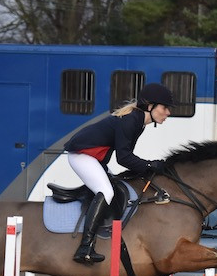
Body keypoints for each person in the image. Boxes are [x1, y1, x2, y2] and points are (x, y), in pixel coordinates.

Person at [63, 82, 173, 264]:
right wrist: (149, 165)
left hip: (93, 157)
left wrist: (147, 166)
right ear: (150, 106)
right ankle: (85, 248)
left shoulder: (138, 122)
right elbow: (123, 158)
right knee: (106, 191)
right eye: (165, 108)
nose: (168, 112)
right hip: (82, 155)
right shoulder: (132, 121)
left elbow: (127, 156)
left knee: (114, 185)